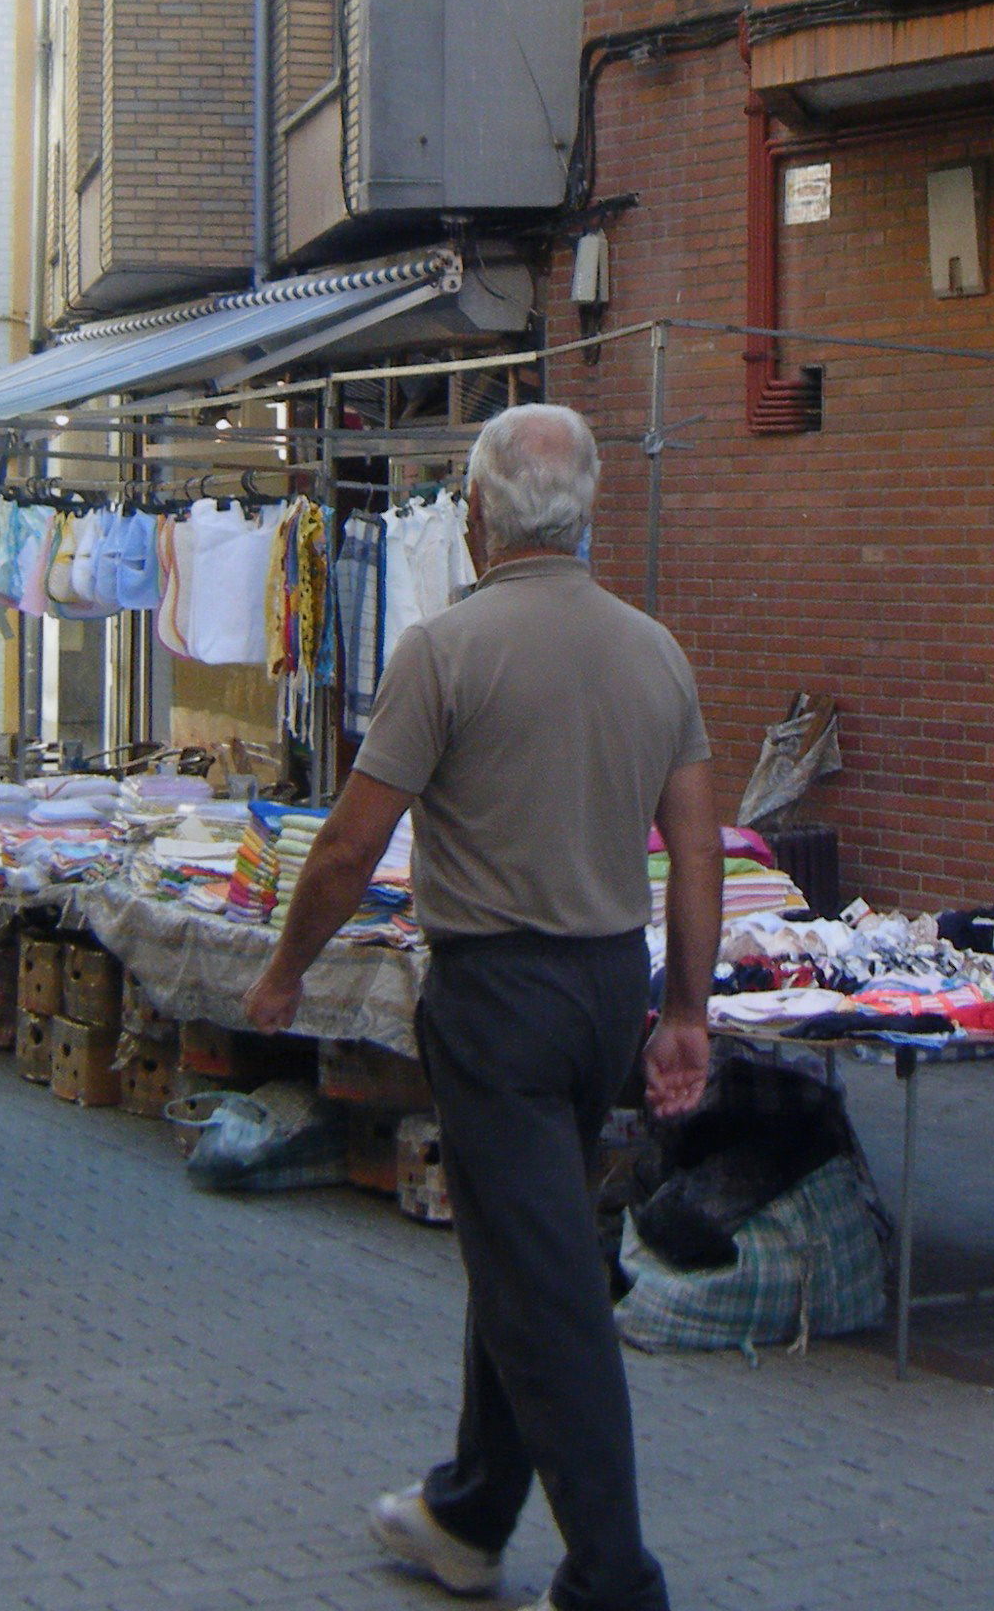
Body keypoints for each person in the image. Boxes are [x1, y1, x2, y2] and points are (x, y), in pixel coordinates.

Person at [242, 404, 714, 1611]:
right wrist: (687, 1013)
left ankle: (615, 1576)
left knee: (547, 1282)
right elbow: (698, 846)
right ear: (589, 509)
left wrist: (288, 965)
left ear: (479, 513)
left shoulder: (444, 649)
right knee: (527, 1242)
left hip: (497, 994)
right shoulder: (655, 648)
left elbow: (352, 841)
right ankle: (467, 1513)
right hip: (610, 983)